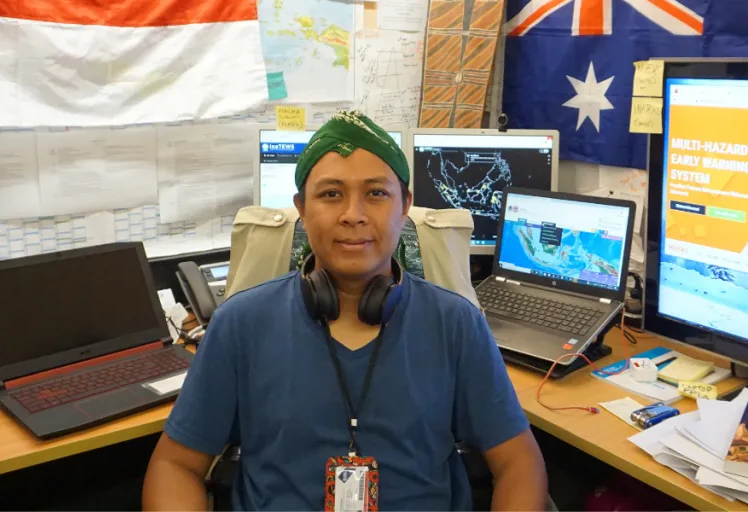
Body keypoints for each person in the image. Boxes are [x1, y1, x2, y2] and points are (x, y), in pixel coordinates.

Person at [143, 111, 548, 511]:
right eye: (331, 194)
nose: (353, 214)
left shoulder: (455, 323)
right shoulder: (241, 324)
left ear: (404, 205)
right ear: (302, 207)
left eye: (376, 193)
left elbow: (519, 464)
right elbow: (175, 465)